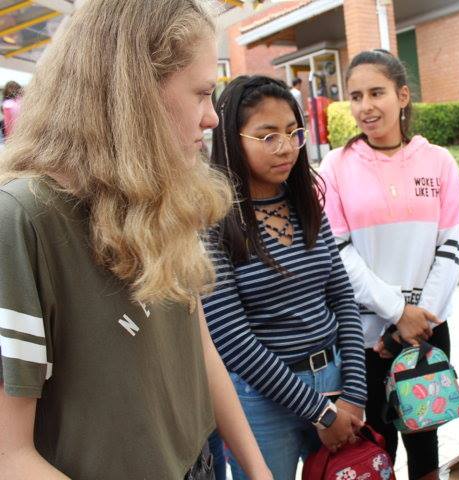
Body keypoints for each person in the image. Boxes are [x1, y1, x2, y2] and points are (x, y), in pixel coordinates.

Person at [0, 1, 272, 479]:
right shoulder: (22, 219)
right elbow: (9, 454)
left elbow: (199, 347)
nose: (212, 117)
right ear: (136, 92)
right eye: (202, 93)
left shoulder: (162, 194)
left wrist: (258, 468)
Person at [202, 75, 366, 480]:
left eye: (293, 133)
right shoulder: (214, 220)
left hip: (334, 379)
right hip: (261, 399)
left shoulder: (305, 203)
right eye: (268, 136)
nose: (287, 147)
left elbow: (343, 298)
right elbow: (231, 338)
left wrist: (354, 394)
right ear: (232, 139)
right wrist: (320, 412)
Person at [320, 49, 459, 480]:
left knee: (425, 446)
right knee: (375, 449)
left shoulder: (439, 162)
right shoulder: (335, 166)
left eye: (376, 93)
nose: (365, 106)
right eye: (356, 96)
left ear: (402, 96)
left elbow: (450, 247)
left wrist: (415, 322)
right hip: (364, 340)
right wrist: (397, 312)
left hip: (427, 331)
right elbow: (340, 253)